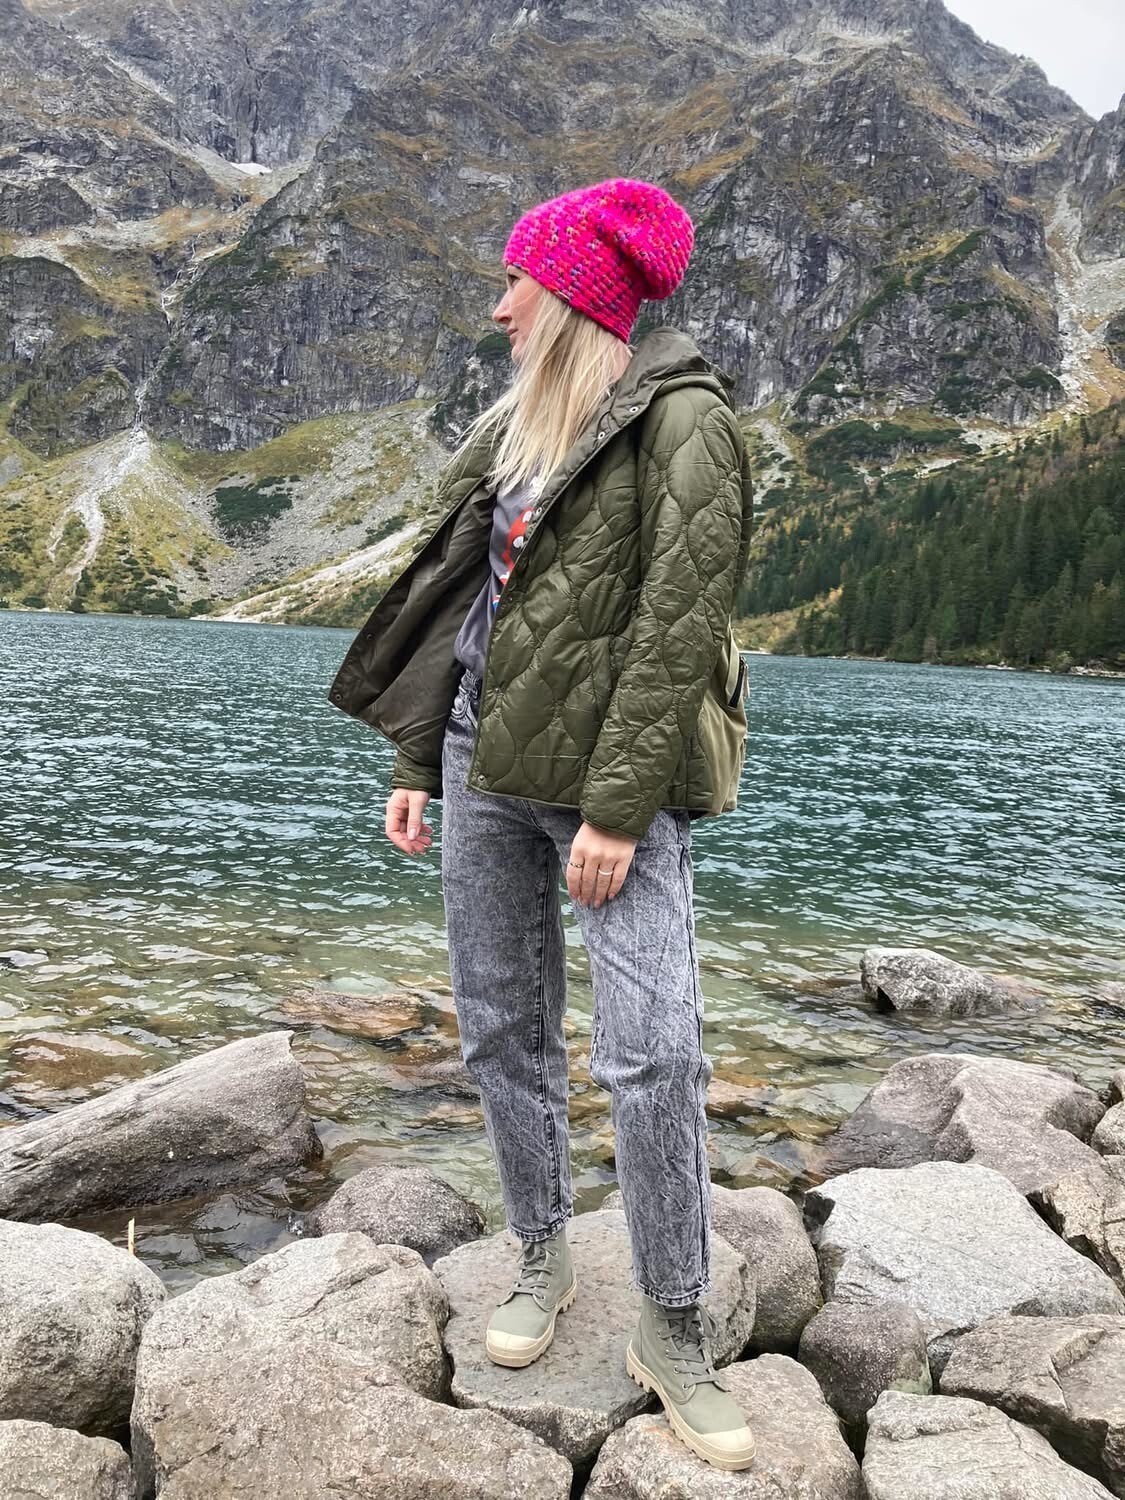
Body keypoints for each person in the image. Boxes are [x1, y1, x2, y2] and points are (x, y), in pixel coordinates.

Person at [327, 178, 755, 1471]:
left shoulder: (686, 425)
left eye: (519, 283)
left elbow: (678, 627)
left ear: (574, 299)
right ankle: (541, 1252)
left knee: (654, 1052)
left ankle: (673, 1324)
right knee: (502, 1028)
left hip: (609, 789)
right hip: (479, 763)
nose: (501, 307)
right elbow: (466, 605)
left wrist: (616, 810)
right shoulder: (519, 425)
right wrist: (419, 754)